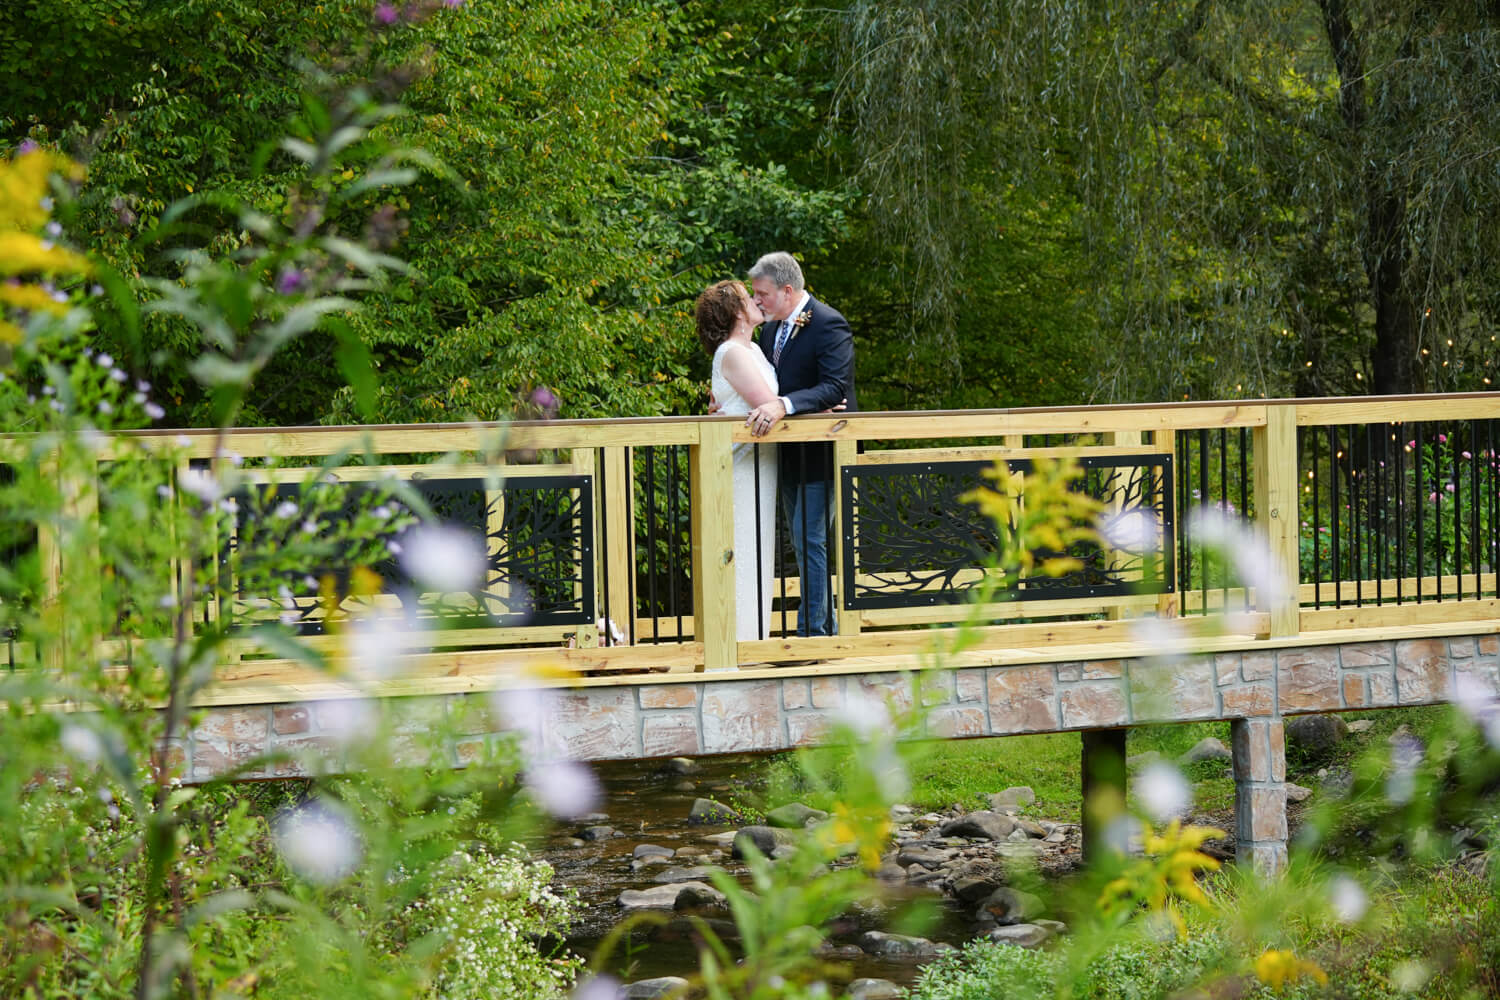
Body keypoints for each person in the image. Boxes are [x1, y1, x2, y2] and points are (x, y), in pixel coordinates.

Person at [744, 252, 856, 638]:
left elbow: (835, 387)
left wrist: (786, 405)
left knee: (811, 539)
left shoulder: (828, 323)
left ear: (787, 290)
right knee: (803, 541)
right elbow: (771, 384)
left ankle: (813, 633)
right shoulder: (772, 329)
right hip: (789, 450)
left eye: (763, 294)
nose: (757, 301)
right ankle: (824, 625)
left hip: (823, 450)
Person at [694, 280, 780, 641]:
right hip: (740, 466)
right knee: (740, 549)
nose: (757, 301)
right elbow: (767, 401)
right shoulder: (731, 352)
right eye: (749, 298)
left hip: (763, 463)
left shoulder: (754, 350)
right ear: (736, 312)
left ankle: (753, 638)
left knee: (758, 550)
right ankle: (737, 643)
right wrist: (785, 405)